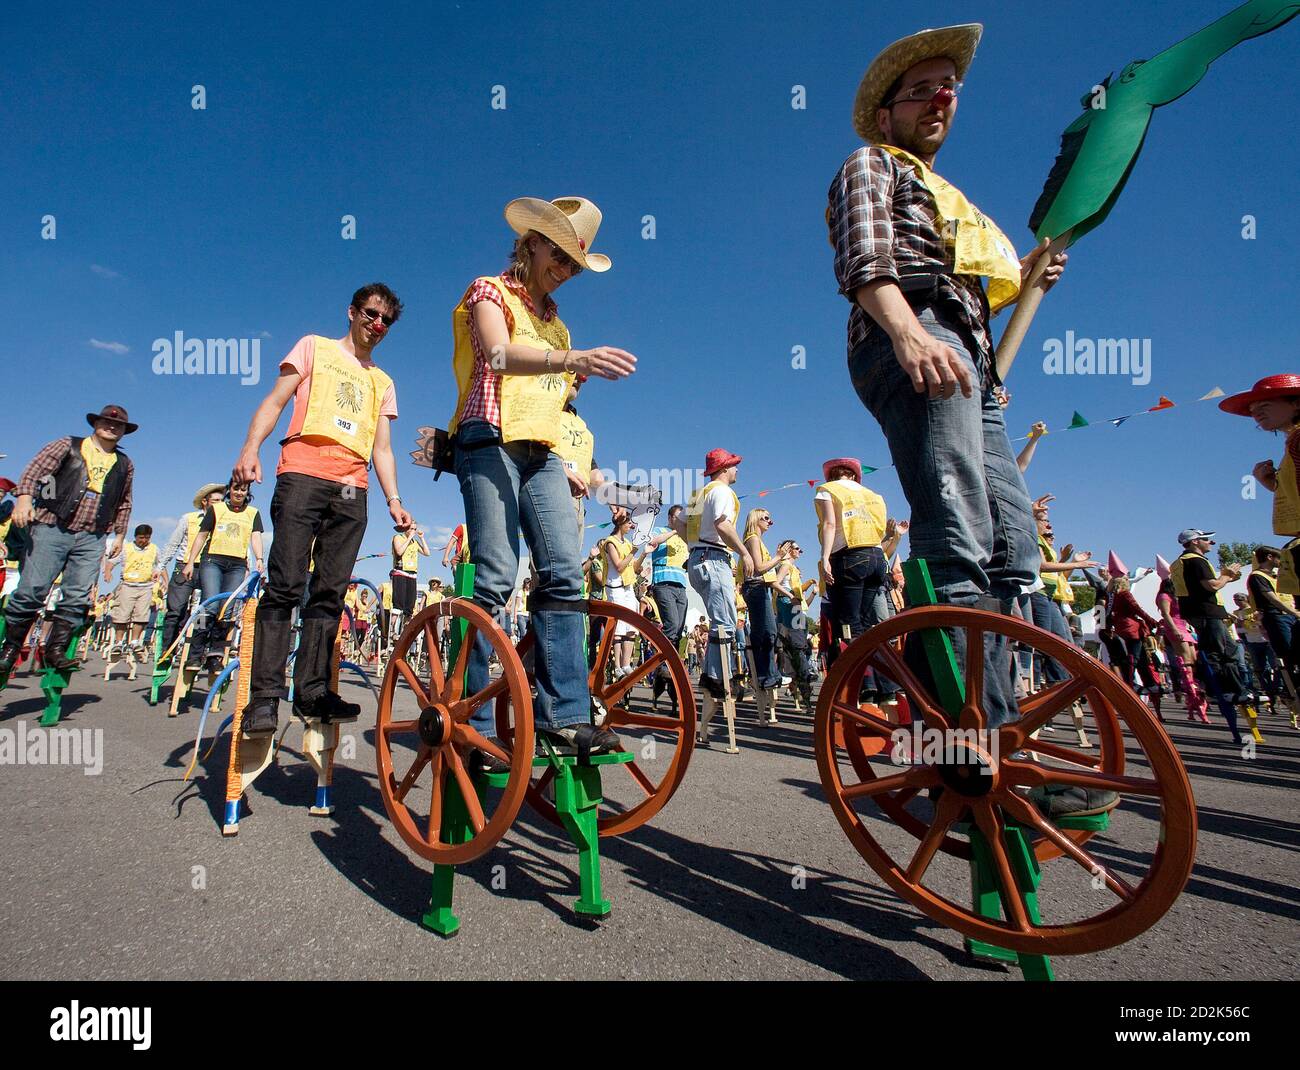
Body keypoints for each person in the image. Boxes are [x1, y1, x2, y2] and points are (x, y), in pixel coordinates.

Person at [828, 24, 1069, 738]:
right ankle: (965, 747)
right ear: (886, 113)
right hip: (910, 330)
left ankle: (993, 724)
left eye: (949, 88)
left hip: (967, 349)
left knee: (1014, 546)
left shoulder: (949, 197)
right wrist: (908, 334)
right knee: (957, 527)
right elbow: (866, 259)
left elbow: (971, 290)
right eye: (921, 90)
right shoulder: (873, 165)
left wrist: (1024, 280)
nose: (940, 98)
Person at [446, 195, 635, 764]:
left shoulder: (559, 326)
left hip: (543, 451)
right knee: (497, 576)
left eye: (576, 264)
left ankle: (566, 716)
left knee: (563, 573)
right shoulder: (490, 290)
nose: (568, 270)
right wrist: (573, 360)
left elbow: (554, 396)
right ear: (531, 241)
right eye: (562, 254)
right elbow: (499, 356)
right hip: (488, 438)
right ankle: (474, 719)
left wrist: (606, 485)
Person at [232, 283, 413, 735]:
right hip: (302, 474)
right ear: (351, 312)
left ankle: (312, 693)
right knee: (286, 583)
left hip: (352, 488)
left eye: (387, 320)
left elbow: (383, 450)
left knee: (330, 592)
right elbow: (275, 401)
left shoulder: (382, 382)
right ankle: (264, 699)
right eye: (371, 314)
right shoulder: (314, 347)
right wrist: (250, 448)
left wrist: (394, 500)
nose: (378, 325)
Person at [0, 405, 137, 675]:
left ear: (124, 432)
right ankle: (11, 648)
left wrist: (120, 534)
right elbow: (33, 471)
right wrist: (25, 500)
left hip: (93, 534)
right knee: (32, 591)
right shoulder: (69, 446)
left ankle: (55, 650)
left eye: (118, 425)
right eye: (106, 422)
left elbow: (124, 502)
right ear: (95, 424)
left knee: (76, 596)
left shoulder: (124, 464)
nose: (111, 427)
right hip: (52, 525)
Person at [676, 448, 751, 703]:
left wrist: (692, 545)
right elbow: (722, 523)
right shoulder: (722, 491)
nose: (737, 469)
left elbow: (678, 522)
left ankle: (712, 676)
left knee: (722, 622)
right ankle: (717, 680)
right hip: (714, 557)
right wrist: (744, 552)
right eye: (734, 465)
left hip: (699, 558)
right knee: (725, 623)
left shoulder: (699, 494)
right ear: (724, 469)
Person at [1169, 529, 1247, 743]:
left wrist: (1226, 580)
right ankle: (1228, 690)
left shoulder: (1180, 562)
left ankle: (1222, 688)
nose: (1211, 542)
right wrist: (1226, 575)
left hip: (1196, 611)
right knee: (1222, 651)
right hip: (1206, 612)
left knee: (1216, 649)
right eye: (1206, 539)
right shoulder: (1196, 561)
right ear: (1195, 542)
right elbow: (1210, 586)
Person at [182, 481, 264, 672]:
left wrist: (259, 558)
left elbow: (256, 536)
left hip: (236, 564)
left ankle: (215, 654)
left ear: (247, 493)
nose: (239, 492)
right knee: (209, 605)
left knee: (226, 609)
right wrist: (189, 562)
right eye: (236, 489)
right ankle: (196, 653)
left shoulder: (253, 513)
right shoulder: (217, 509)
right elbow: (201, 535)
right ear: (230, 491)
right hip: (213, 561)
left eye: (243, 490)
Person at [157, 483, 224, 656]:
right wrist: (160, 566)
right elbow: (173, 543)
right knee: (176, 610)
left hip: (210, 567)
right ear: (205, 502)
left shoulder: (225, 521)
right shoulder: (189, 518)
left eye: (221, 501)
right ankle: (168, 648)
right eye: (215, 500)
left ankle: (196, 649)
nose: (220, 504)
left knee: (204, 610)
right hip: (185, 566)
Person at [738, 506, 789, 719]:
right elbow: (759, 567)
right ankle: (765, 675)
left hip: (760, 588)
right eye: (767, 518)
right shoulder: (753, 538)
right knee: (765, 632)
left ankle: (766, 674)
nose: (770, 522)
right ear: (756, 519)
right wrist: (778, 557)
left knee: (767, 632)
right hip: (756, 586)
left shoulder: (757, 540)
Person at [642, 506, 690, 706]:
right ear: (671, 518)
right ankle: (663, 664)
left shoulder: (684, 537)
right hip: (663, 582)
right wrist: (674, 531)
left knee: (678, 629)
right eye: (678, 518)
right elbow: (652, 542)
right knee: (671, 624)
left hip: (681, 585)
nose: (681, 522)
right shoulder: (662, 531)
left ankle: (670, 665)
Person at [101, 523, 163, 659]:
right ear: (135, 537)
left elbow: (161, 564)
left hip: (146, 586)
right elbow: (112, 561)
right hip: (128, 585)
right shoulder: (126, 548)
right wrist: (107, 572)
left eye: (147, 538)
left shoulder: (154, 549)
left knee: (141, 615)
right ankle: (119, 642)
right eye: (141, 537)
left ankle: (135, 641)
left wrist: (165, 581)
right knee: (123, 614)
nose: (144, 541)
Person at [1155, 571, 1209, 723]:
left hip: (1185, 628)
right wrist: (1174, 630)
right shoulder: (1164, 596)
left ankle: (1194, 698)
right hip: (1176, 628)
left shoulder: (1176, 597)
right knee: (1186, 664)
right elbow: (1166, 614)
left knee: (1193, 662)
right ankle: (1193, 698)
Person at [601, 508, 640, 678]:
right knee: (618, 627)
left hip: (628, 587)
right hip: (615, 587)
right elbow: (618, 566)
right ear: (620, 523)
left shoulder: (628, 543)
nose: (631, 525)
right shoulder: (610, 542)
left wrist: (643, 553)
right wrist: (633, 552)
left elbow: (633, 567)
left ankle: (626, 664)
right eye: (629, 522)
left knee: (631, 626)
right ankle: (617, 665)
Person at [390, 524, 430, 622]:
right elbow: (399, 552)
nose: (413, 531)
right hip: (400, 572)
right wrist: (409, 538)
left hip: (412, 575)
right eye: (411, 528)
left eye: (415, 529)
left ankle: (405, 630)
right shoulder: (398, 538)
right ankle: (392, 631)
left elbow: (427, 553)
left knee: (410, 605)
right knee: (398, 604)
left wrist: (422, 538)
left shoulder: (415, 542)